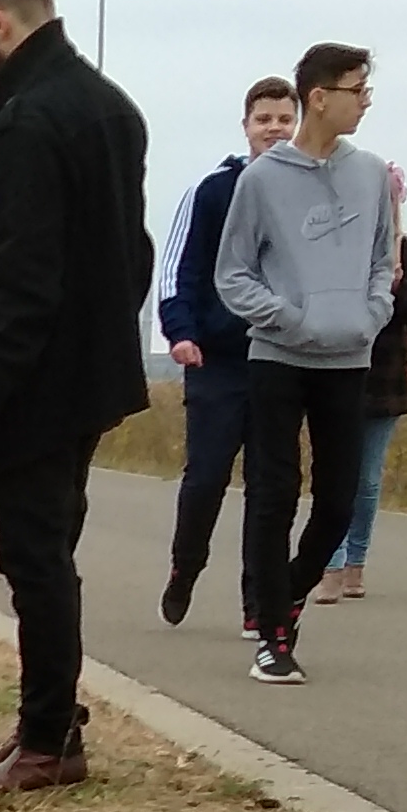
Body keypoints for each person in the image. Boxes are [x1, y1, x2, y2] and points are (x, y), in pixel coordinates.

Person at [0, 0, 151, 795]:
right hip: (88, 371)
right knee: (52, 547)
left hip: (36, 381)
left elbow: (24, 275)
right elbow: (130, 254)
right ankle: (45, 718)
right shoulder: (111, 109)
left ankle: (51, 741)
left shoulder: (27, 120)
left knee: (35, 560)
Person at [209, 45, 397, 682]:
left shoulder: (370, 172)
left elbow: (381, 260)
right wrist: (289, 318)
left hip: (349, 358)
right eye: (356, 89)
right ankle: (273, 637)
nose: (366, 100)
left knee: (339, 502)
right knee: (273, 495)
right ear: (319, 96)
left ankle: (284, 595)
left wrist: (371, 314)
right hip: (280, 357)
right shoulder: (261, 180)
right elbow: (231, 274)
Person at [155, 76, 299, 624]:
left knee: (271, 487)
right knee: (208, 476)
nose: (275, 130)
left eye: (284, 119)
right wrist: (181, 331)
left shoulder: (312, 194)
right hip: (216, 361)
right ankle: (184, 568)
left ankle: (258, 602)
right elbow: (177, 269)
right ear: (246, 127)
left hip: (282, 360)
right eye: (264, 120)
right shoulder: (213, 191)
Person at [321, 222, 407, 600]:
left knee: (367, 477)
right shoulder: (335, 242)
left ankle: (356, 561)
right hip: (334, 369)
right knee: (334, 473)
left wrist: (397, 278)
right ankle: (331, 565)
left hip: (384, 376)